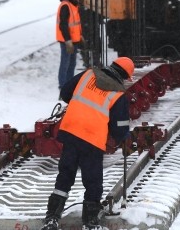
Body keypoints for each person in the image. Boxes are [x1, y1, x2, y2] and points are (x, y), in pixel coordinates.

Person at [41, 57, 133, 230]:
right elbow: (119, 127)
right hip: (92, 138)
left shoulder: (89, 74)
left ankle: (52, 219)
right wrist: (123, 138)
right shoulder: (118, 93)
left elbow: (66, 91)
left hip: (70, 131)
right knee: (92, 181)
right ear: (124, 76)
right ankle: (90, 223)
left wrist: (79, 107)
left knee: (65, 175)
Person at [56, 0, 83, 92]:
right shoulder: (66, 6)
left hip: (73, 41)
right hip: (67, 41)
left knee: (71, 64)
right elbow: (63, 25)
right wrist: (68, 41)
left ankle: (69, 85)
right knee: (65, 64)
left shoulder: (73, 5)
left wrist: (80, 36)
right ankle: (63, 86)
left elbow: (75, 24)